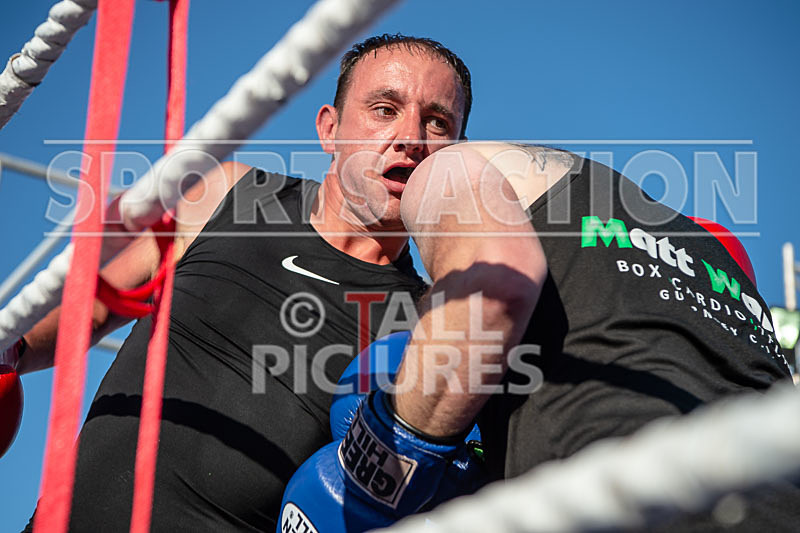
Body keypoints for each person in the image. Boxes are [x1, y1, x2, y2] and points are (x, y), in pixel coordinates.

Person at [11, 34, 472, 531]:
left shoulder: (423, 324)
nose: (411, 136)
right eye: (385, 108)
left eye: (437, 122)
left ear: (457, 157)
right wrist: (9, 350)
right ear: (330, 129)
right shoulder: (226, 192)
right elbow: (95, 306)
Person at [283, 141, 799, 531]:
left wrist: (378, 460)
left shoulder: (457, 166)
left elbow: (492, 288)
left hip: (620, 506)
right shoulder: (733, 289)